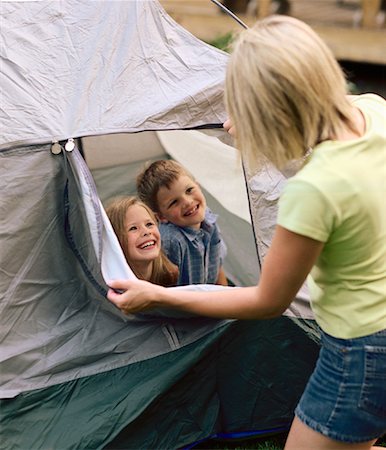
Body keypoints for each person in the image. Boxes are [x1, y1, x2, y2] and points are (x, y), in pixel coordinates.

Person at [107, 15, 386, 450]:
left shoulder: (315, 187)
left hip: (363, 350)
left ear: (273, 112)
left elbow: (267, 301)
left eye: (241, 110)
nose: (230, 126)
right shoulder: (375, 110)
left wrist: (158, 296)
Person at [136, 159, 228, 286]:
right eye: (174, 202)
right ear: (161, 217)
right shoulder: (171, 241)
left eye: (189, 190)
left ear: (198, 185)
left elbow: (217, 266)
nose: (188, 202)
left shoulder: (208, 218)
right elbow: (163, 292)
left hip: (210, 297)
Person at [105, 196, 178, 287]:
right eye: (133, 228)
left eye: (149, 224)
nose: (146, 232)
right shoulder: (113, 290)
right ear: (115, 240)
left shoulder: (171, 275)